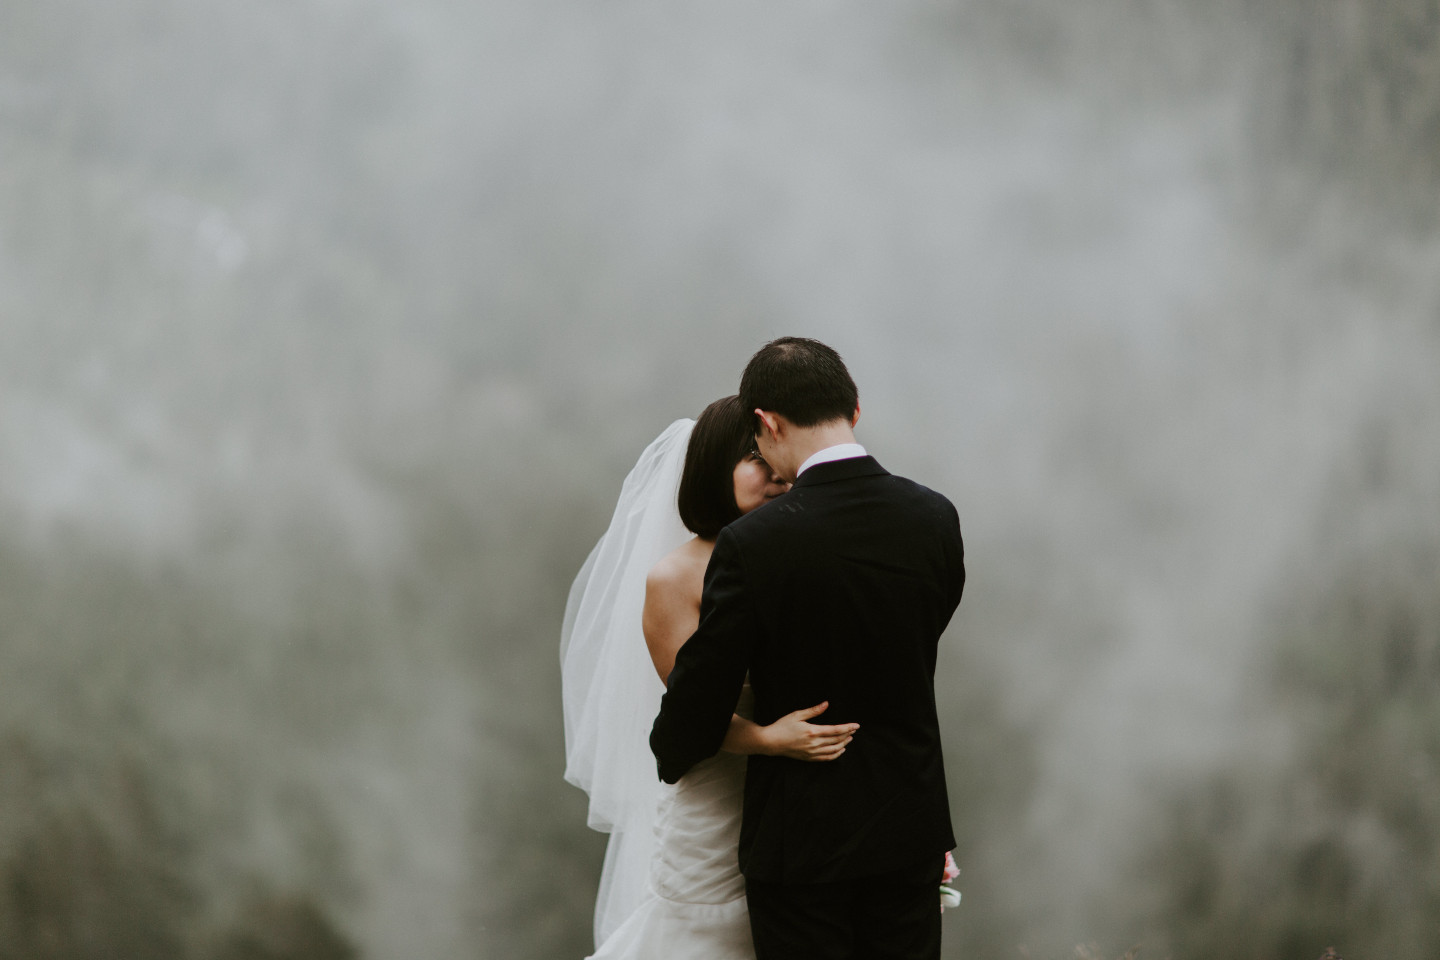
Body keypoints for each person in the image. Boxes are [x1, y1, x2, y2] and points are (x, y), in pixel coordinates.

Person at [651, 337, 966, 960]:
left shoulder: (754, 543)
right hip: (910, 824)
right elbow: (919, 639)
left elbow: (698, 700)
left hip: (802, 840)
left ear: (767, 423)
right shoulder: (936, 516)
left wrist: (676, 742)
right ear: (854, 409)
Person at [561, 396, 858, 959]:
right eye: (752, 456)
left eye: (775, 453)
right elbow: (690, 710)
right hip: (719, 802)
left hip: (806, 804)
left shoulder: (804, 557)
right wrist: (769, 741)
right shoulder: (675, 577)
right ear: (712, 469)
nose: (774, 471)